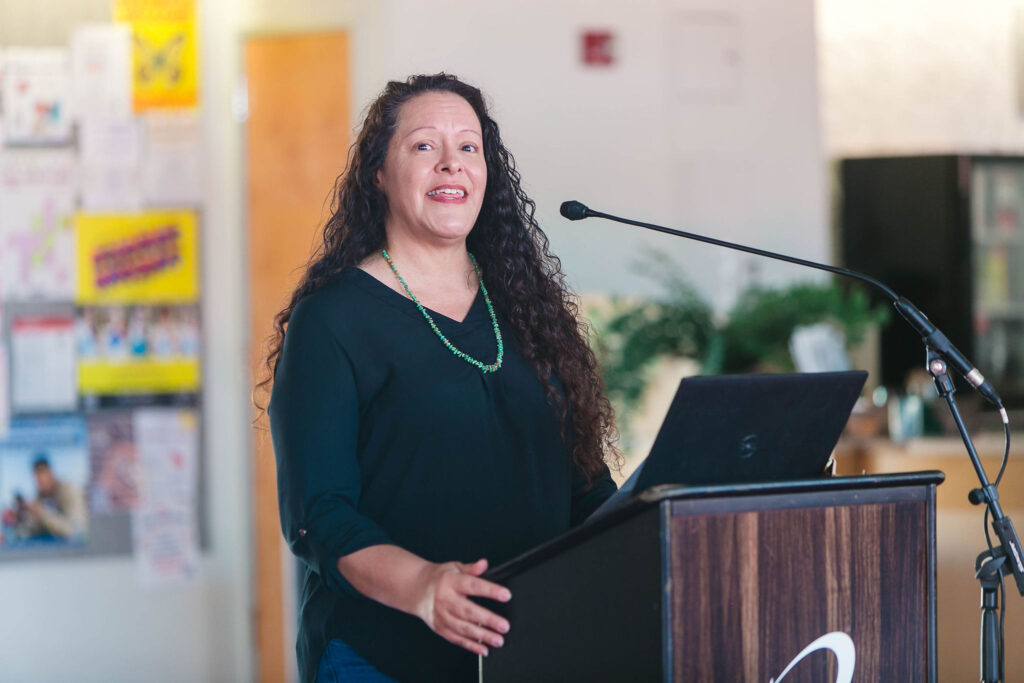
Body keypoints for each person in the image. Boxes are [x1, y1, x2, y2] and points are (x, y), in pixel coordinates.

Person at [265, 73, 619, 683]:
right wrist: (424, 585)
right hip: (382, 657)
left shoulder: (528, 309)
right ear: (379, 173)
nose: (451, 164)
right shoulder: (331, 319)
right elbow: (319, 514)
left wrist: (658, 521)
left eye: (469, 147)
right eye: (425, 146)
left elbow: (581, 488)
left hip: (534, 648)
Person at [15, 455, 88, 541]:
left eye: (42, 474)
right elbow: (27, 533)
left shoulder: (70, 492)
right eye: (36, 477)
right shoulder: (38, 499)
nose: (39, 481)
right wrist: (19, 520)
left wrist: (42, 514)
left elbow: (76, 531)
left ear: (50, 473)